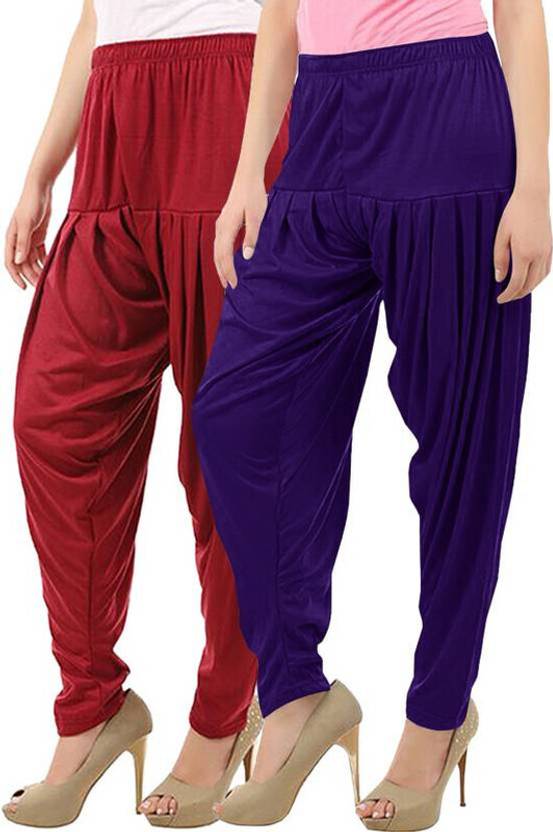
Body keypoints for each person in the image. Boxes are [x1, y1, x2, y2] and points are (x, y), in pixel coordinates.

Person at [193, 0, 552, 828]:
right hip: (321, 122)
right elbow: (280, 15)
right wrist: (249, 171)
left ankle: (437, 715)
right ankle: (295, 691)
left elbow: (517, 12)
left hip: (446, 112)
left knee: (458, 443)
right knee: (235, 412)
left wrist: (532, 184)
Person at [3, 0, 287, 827]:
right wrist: (41, 170)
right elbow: (98, 16)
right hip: (116, 130)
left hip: (236, 106)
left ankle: (226, 707)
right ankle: (91, 703)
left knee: (227, 455)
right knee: (54, 420)